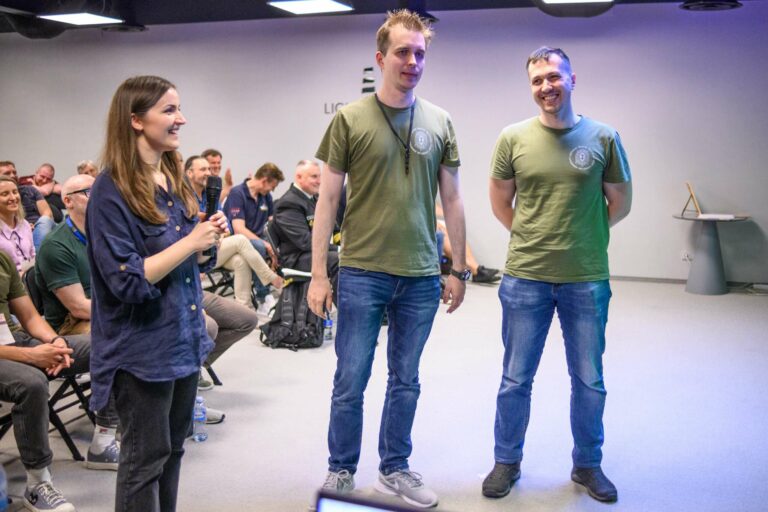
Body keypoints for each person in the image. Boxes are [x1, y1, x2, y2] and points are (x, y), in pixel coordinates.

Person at [307, 10, 469, 509]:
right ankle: (341, 469)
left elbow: (453, 200)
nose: (412, 61)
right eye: (402, 52)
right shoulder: (349, 119)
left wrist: (458, 268)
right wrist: (318, 274)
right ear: (381, 58)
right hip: (362, 270)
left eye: (420, 53)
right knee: (350, 378)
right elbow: (326, 201)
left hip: (420, 274)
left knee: (406, 380)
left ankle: (394, 468)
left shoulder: (440, 121)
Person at [484, 47, 632, 503]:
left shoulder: (603, 137)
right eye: (537, 80)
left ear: (572, 79)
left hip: (586, 278)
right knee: (515, 379)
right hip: (525, 276)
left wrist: (584, 236)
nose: (546, 86)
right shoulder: (512, 137)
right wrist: (533, 235)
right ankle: (506, 461)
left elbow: (620, 202)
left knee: (589, 380)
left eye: (553, 77)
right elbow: (500, 201)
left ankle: (587, 464)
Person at [86, 75, 228, 512]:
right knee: (144, 461)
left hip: (181, 339)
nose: (180, 119)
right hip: (141, 351)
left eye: (179, 108)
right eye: (169, 110)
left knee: (172, 450)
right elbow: (127, 281)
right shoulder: (110, 191)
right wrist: (190, 243)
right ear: (135, 120)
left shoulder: (172, 178)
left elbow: (194, 263)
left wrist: (206, 241)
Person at [0, 250, 120, 512]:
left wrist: (55, 343)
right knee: (32, 383)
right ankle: (38, 483)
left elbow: (30, 317)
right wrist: (30, 356)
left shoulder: (2, 258)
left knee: (108, 345)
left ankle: (103, 442)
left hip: (14, 340)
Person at [185, 155, 282, 309]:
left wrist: (220, 235)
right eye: (203, 169)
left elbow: (227, 228)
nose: (208, 173)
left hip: (215, 248)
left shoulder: (211, 195)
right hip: (193, 252)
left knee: (240, 261)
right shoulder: (183, 198)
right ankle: (271, 278)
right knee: (241, 240)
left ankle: (245, 308)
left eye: (209, 169)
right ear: (189, 173)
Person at [35, 174, 95, 335]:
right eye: (89, 192)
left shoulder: (106, 233)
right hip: (72, 324)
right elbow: (79, 308)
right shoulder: (55, 245)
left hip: (106, 308)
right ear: (68, 201)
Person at [273, 159, 339, 303]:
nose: (319, 181)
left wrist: (343, 244)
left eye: (320, 176)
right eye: (314, 177)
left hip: (314, 252)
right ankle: (346, 309)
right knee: (338, 259)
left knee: (351, 256)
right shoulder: (288, 203)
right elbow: (305, 241)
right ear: (299, 177)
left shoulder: (315, 198)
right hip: (297, 258)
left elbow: (335, 228)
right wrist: (338, 249)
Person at [225, 162, 284, 262]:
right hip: (240, 239)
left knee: (283, 243)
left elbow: (272, 223)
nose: (272, 190)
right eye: (272, 187)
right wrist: (265, 244)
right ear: (264, 181)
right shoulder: (237, 194)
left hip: (260, 237)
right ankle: (264, 272)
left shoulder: (266, 196)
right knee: (259, 246)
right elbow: (239, 229)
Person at [0, 161, 55, 251]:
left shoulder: (30, 189)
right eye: (7, 173)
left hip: (40, 225)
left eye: (14, 172)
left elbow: (47, 213)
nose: (12, 175)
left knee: (46, 221)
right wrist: (23, 226)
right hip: (18, 228)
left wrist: (34, 226)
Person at [0, 176, 35, 274]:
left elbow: (33, 254)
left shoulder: (24, 224)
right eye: (5, 194)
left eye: (15, 192)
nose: (13, 198)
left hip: (30, 276)